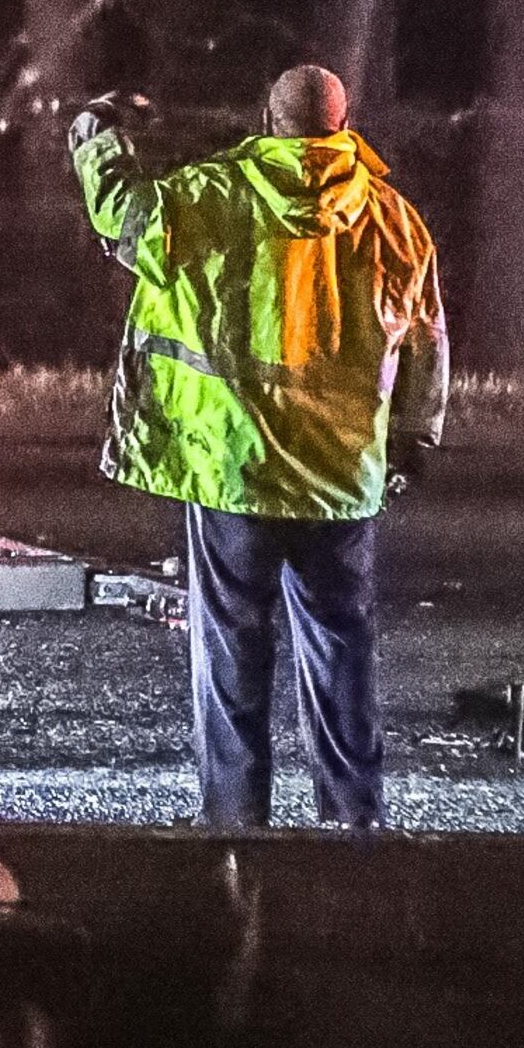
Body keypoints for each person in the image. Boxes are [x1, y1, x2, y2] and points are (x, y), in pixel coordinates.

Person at [67, 64, 447, 829]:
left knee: (232, 653)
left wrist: (95, 134)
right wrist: (412, 438)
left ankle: (237, 826)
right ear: (341, 129)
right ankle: (353, 821)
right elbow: (426, 341)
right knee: (342, 653)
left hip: (232, 469)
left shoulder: (210, 197)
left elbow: (121, 216)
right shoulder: (394, 220)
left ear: (267, 121)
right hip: (341, 479)